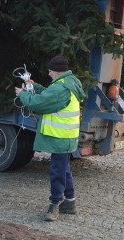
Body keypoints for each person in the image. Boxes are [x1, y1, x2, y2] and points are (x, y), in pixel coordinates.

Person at [15, 55, 86, 222]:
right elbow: (49, 94)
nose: (48, 73)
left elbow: (40, 103)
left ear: (56, 71)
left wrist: (22, 95)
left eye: (49, 70)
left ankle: (54, 205)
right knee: (64, 169)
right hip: (66, 137)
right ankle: (70, 203)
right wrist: (36, 86)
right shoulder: (69, 82)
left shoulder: (61, 88)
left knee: (57, 172)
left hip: (59, 137)